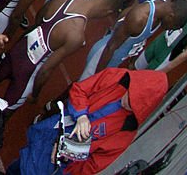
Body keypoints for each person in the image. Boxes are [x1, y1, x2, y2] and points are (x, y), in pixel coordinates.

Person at [0, 0, 123, 112]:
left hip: (19, 50)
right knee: (5, 111)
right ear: (108, 11)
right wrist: (35, 94)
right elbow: (46, 70)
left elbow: (40, 16)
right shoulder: (76, 35)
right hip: (29, 72)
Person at [9, 68, 168, 175]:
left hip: (54, 161)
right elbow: (80, 89)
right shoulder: (116, 76)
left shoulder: (126, 132)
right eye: (130, 96)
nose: (128, 103)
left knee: (27, 169)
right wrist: (82, 115)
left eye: (135, 105)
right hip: (53, 128)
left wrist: (65, 158)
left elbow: (92, 165)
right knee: (21, 158)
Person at [80, 0, 187, 80]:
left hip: (114, 59)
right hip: (103, 57)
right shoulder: (139, 19)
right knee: (81, 89)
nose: (169, 29)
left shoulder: (161, 6)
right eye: (173, 26)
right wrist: (97, 78)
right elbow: (110, 47)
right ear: (171, 16)